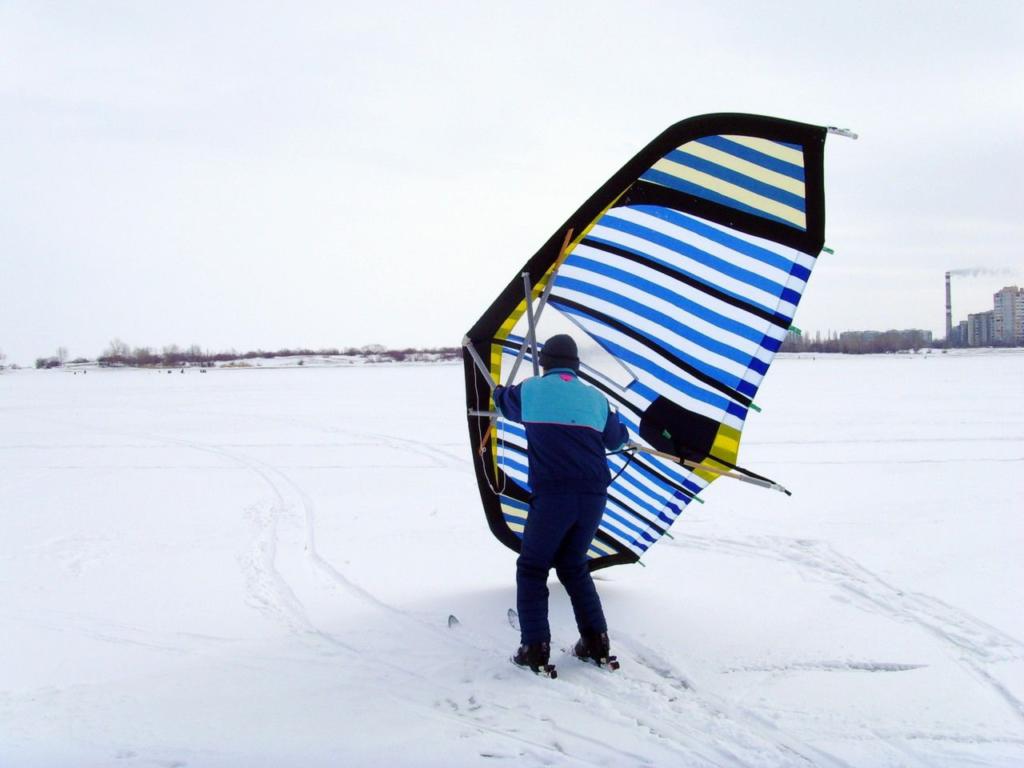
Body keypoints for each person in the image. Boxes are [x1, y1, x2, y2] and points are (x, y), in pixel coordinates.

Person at [492, 333, 628, 673]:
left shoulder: (530, 390)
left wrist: (497, 392)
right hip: (594, 497)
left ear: (545, 362)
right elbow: (616, 440)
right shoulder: (596, 398)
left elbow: (502, 400)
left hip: (554, 496)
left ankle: (534, 649)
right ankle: (596, 644)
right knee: (573, 565)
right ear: (576, 367)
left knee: (533, 567)